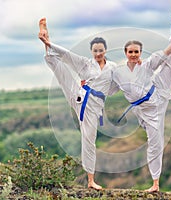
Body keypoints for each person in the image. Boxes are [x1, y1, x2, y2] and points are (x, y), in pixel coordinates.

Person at [110, 11, 171, 192]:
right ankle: (155, 182)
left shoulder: (147, 64)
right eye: (131, 52)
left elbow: (167, 51)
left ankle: (155, 183)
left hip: (158, 96)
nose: (134, 54)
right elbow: (107, 87)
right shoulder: (119, 73)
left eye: (137, 52)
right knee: (152, 140)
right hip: (143, 109)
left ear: (140, 52)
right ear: (126, 53)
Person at [38, 18, 116, 190]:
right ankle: (46, 38)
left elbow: (117, 86)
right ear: (91, 51)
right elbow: (67, 55)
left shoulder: (112, 68)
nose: (98, 53)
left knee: (89, 140)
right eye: (95, 51)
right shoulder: (86, 64)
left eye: (100, 50)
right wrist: (48, 42)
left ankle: (90, 180)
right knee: (60, 69)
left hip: (93, 108)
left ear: (105, 50)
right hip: (79, 96)